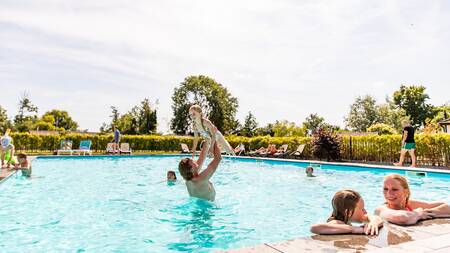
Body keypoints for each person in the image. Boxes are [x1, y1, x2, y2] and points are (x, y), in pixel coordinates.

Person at [375, 174, 450, 225]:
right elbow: (402, 218)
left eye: (394, 189)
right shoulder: (381, 209)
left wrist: (427, 213)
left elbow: (446, 207)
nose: (389, 193)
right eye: (385, 189)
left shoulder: (409, 204)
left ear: (406, 192)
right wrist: (418, 214)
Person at [310, 190, 383, 235]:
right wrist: (353, 229)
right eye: (362, 209)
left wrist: (373, 222)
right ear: (348, 212)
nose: (365, 212)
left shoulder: (347, 218)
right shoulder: (337, 222)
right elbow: (315, 228)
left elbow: (376, 217)